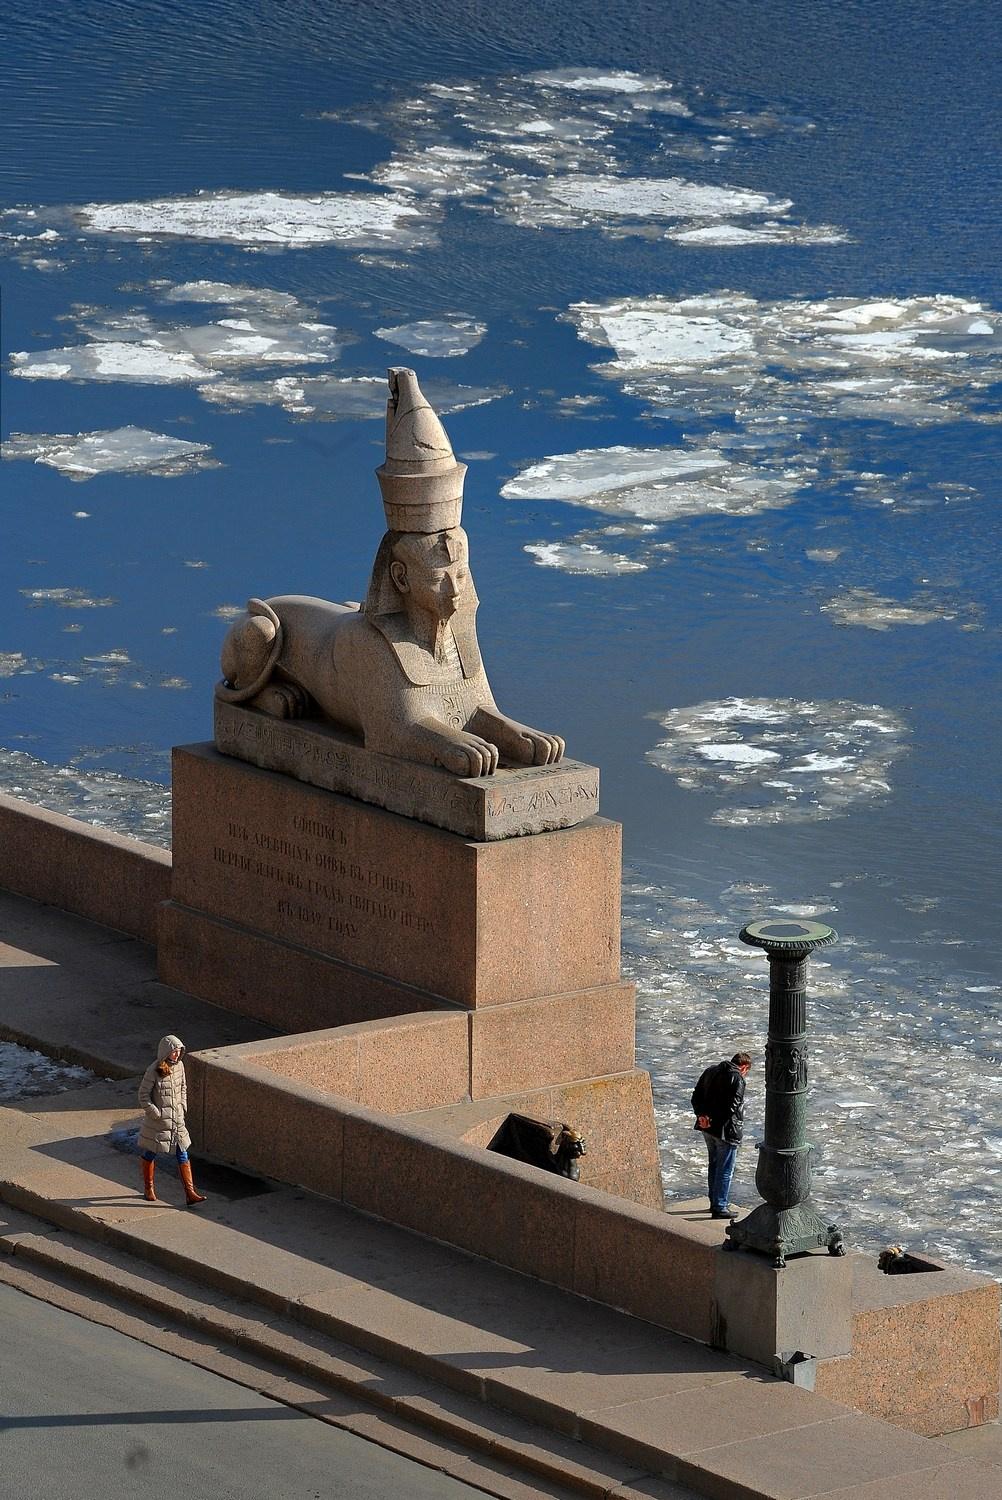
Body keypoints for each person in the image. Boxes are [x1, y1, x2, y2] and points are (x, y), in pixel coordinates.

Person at [137, 1033, 206, 1206]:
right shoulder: (153, 1070)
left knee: (182, 1153)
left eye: (179, 1050)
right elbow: (143, 1095)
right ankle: (148, 1187)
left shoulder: (180, 1066)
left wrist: (183, 1106)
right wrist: (156, 1113)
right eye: (174, 1051)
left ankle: (190, 1193)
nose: (177, 1054)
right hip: (158, 1123)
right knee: (150, 1152)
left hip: (177, 1120)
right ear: (166, 1051)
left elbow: (183, 1087)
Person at [690, 1051, 752, 1219]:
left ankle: (714, 1201)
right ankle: (720, 1206)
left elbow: (696, 1096)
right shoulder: (737, 1079)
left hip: (707, 1128)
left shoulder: (711, 1070)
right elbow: (732, 1108)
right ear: (744, 1067)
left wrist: (702, 1117)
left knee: (714, 1165)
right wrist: (712, 1120)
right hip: (725, 1131)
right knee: (725, 1169)